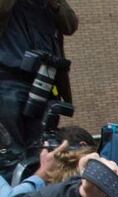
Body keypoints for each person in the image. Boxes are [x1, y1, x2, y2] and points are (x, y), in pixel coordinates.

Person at [0, 0, 78, 174]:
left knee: (43, 149)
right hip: (8, 80)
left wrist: (54, 4)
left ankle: (39, 195)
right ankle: (16, 196)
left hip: (45, 80)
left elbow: (70, 25)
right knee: (13, 153)